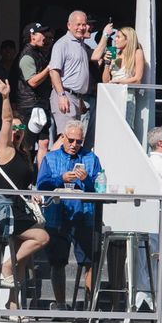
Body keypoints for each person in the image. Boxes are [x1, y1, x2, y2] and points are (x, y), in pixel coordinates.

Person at [0, 76, 49, 311]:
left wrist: (32, 193)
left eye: (20, 128)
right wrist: (5, 97)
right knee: (42, 238)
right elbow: (5, 119)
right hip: (3, 211)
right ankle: (6, 266)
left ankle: (13, 305)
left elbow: (24, 184)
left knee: (23, 259)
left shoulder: (24, 155)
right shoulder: (4, 150)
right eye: (13, 129)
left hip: (18, 209)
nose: (16, 131)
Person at [36, 119, 101, 308]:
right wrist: (60, 179)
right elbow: (42, 186)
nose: (74, 145)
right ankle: (61, 304)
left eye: (78, 142)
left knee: (90, 262)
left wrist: (87, 180)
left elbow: (100, 187)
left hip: (84, 215)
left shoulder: (91, 158)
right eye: (71, 140)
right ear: (63, 137)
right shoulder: (50, 158)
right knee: (57, 263)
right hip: (57, 215)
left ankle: (90, 307)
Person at [48, 10, 91, 136]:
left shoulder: (81, 44)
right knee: (66, 138)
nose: (81, 28)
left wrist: (80, 98)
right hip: (65, 96)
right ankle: (49, 157)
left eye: (84, 24)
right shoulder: (62, 44)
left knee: (74, 138)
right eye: (78, 24)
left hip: (76, 99)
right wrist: (61, 95)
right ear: (69, 25)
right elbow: (54, 71)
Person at [15, 22, 52, 166]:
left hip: (41, 104)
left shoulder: (39, 53)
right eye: (41, 33)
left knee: (44, 142)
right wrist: (49, 68)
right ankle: (27, 178)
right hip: (29, 107)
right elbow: (32, 82)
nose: (45, 37)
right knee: (27, 144)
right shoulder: (27, 56)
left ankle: (40, 179)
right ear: (32, 36)